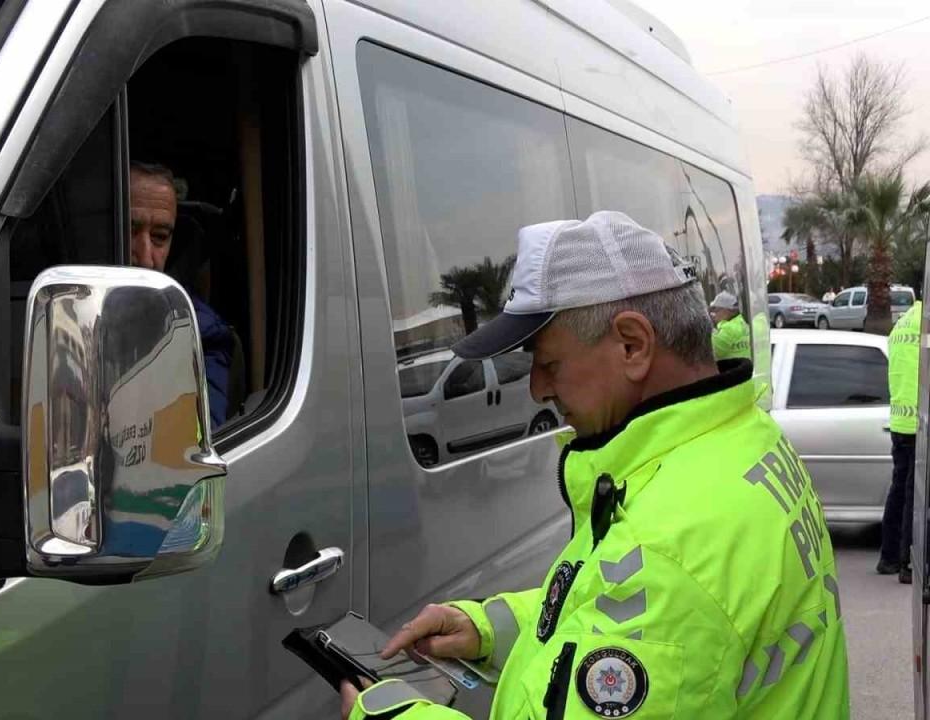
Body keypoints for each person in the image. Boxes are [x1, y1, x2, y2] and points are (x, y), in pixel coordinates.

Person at [340, 212, 848, 720]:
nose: (537, 388)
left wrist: (387, 715)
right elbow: (614, 606)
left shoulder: (673, 547)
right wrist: (492, 629)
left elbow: (664, 602)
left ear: (632, 344)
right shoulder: (737, 442)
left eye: (549, 363)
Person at [129, 161, 233, 428]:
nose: (146, 258)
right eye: (129, 231)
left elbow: (198, 440)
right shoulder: (67, 311)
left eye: (160, 237)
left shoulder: (199, 334)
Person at [879, 294, 922, 583]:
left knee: (899, 490)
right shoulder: (925, 326)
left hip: (899, 421)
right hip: (919, 423)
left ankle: (889, 557)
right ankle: (908, 563)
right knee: (914, 496)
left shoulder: (903, 323)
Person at [709, 290, 751, 361]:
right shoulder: (742, 322)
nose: (714, 313)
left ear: (728, 310)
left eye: (716, 309)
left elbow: (707, 351)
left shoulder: (728, 330)